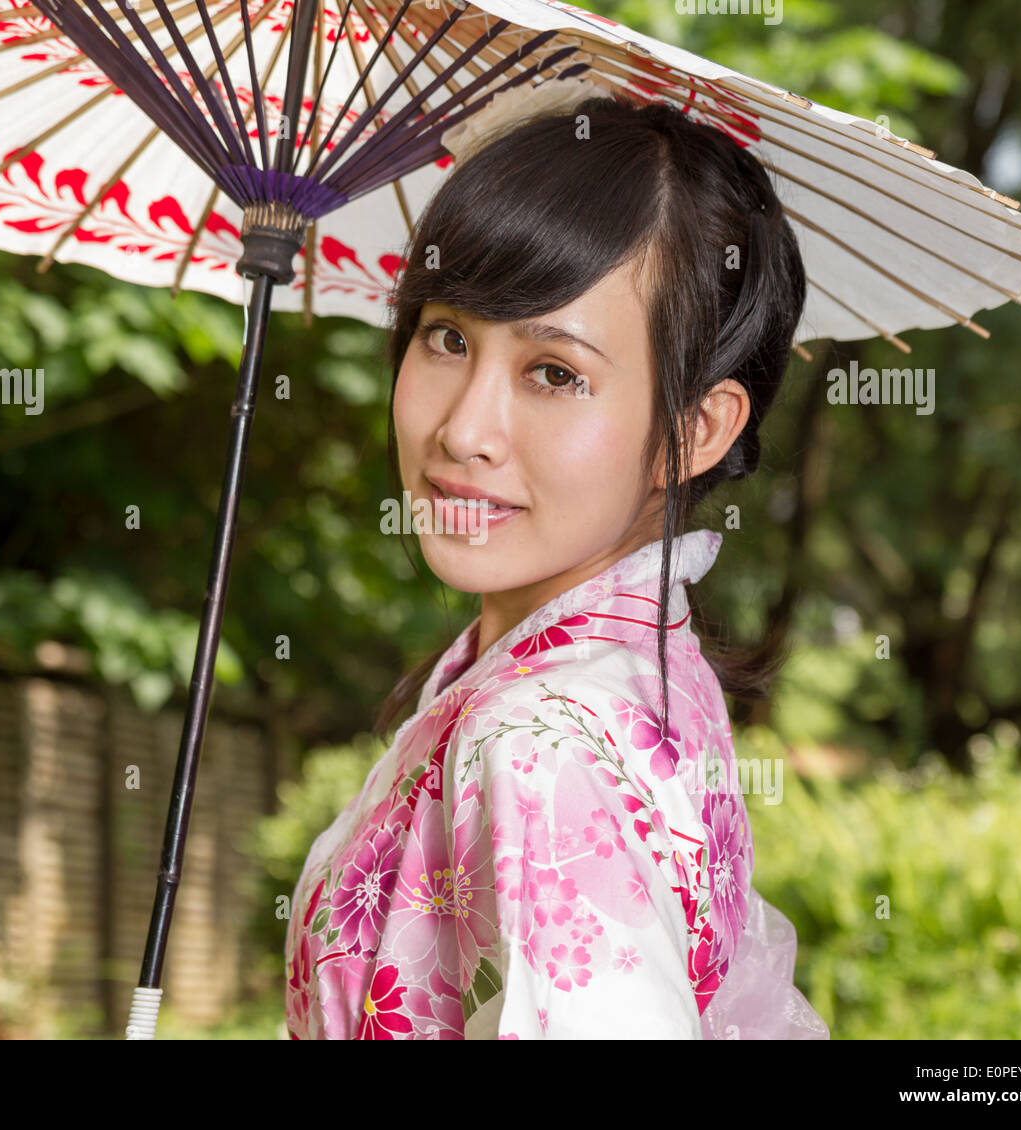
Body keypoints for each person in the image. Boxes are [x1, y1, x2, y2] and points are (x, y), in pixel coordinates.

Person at [285, 94, 829, 1039]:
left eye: (554, 373)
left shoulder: (544, 742)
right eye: (447, 337)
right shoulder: (632, 670)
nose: (463, 429)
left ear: (695, 430)